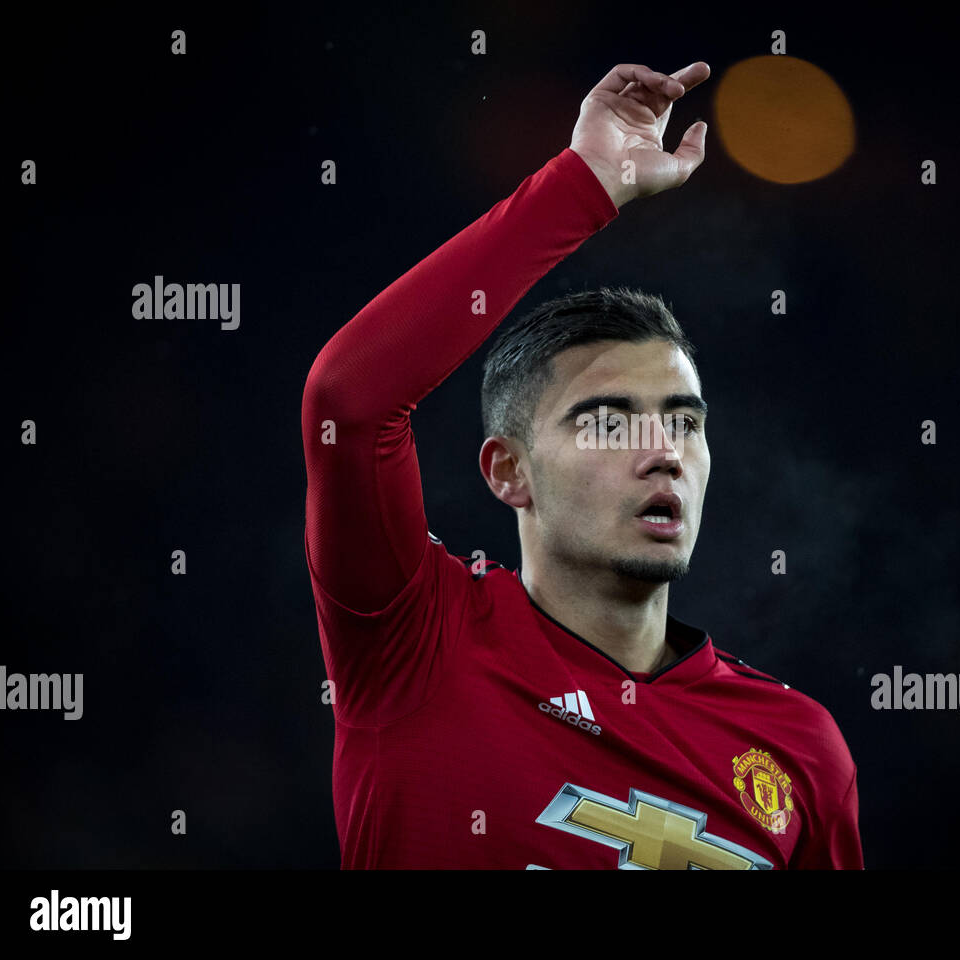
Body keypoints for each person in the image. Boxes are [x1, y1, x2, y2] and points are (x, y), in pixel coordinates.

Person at [302, 61, 862, 869]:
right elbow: (347, 404)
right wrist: (586, 185)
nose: (663, 451)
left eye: (684, 422)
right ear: (508, 472)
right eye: (608, 422)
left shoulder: (799, 749)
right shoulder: (417, 642)